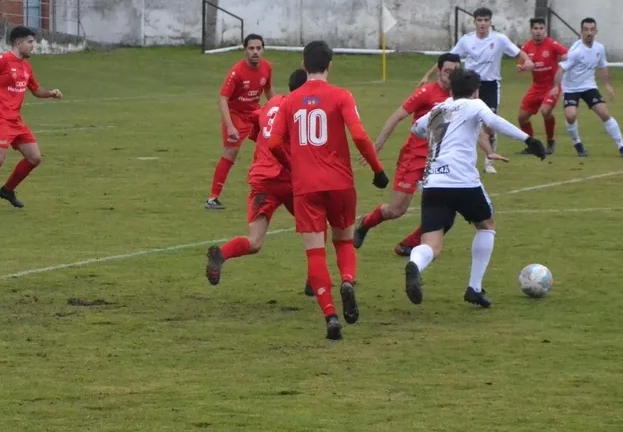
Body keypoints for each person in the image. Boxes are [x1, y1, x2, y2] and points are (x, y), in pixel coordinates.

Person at [268, 41, 389, 341]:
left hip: (306, 186)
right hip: (340, 184)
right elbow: (359, 135)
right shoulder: (341, 95)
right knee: (344, 240)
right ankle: (347, 280)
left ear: (304, 65)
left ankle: (330, 315)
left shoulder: (290, 101)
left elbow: (273, 143)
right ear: (329, 65)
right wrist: (377, 170)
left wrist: (293, 164)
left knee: (315, 251)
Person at [403, 69, 546, 308]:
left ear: (452, 89)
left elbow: (416, 128)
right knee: (487, 225)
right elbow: (494, 121)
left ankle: (415, 264)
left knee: (431, 245)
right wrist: (529, 140)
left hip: (434, 183)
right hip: (463, 181)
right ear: (476, 91)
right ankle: (474, 288)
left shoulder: (438, 109)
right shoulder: (475, 105)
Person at [354, 54, 483, 257]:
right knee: (396, 210)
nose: (450, 76)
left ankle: (408, 245)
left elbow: (476, 125)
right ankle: (365, 223)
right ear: (438, 71)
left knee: (447, 211)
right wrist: (376, 146)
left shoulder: (462, 97)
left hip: (440, 161)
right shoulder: (426, 92)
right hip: (414, 157)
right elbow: (397, 116)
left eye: (455, 72)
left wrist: (489, 150)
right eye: (447, 71)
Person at [205, 69, 308, 285]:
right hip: (288, 179)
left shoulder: (273, 102)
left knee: (255, 241)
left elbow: (255, 118)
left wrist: (258, 138)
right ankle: (315, 279)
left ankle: (222, 254)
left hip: (262, 178)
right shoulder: (302, 110)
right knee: (315, 227)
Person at [0, 26, 63, 218]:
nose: (33, 46)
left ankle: (7, 190)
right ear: (19, 43)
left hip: (16, 121)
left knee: (35, 158)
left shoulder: (26, 67)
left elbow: (36, 90)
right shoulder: (2, 60)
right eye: (30, 42)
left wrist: (50, 93)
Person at [425, 7, 534, 174]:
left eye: (486, 20)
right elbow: (446, 60)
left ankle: (489, 159)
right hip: (468, 85)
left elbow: (519, 52)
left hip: (490, 86)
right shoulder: (466, 40)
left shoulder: (499, 39)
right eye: (479, 20)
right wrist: (428, 76)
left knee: (489, 125)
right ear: (474, 21)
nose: (482, 23)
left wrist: (527, 61)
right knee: (464, 121)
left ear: (490, 22)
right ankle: (458, 156)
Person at [205, 34, 274, 210]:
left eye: (258, 48)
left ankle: (267, 189)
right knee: (231, 152)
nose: (255, 52)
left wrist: (277, 107)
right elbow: (222, 99)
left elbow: (268, 90)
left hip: (254, 114)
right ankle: (213, 198)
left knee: (271, 145)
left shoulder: (267, 67)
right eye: (251, 48)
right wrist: (230, 126)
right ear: (245, 51)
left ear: (263, 50)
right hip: (235, 115)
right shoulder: (237, 72)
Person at [550, 17, 623, 158]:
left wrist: (607, 85)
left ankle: (622, 146)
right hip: (571, 88)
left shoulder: (599, 48)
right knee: (570, 116)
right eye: (586, 30)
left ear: (596, 31)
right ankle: (577, 143)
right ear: (581, 32)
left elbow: (603, 66)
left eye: (592, 30)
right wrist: (556, 86)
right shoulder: (575, 51)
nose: (589, 33)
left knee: (604, 113)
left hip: (588, 86)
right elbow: (561, 69)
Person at [517, 17, 567, 156]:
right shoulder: (527, 47)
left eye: (541, 28)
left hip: (551, 86)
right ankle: (533, 146)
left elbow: (567, 55)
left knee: (545, 111)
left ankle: (550, 142)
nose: (538, 31)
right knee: (522, 118)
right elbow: (520, 65)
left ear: (545, 30)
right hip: (536, 87)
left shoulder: (552, 44)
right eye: (535, 28)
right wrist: (522, 67)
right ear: (531, 30)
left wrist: (564, 62)